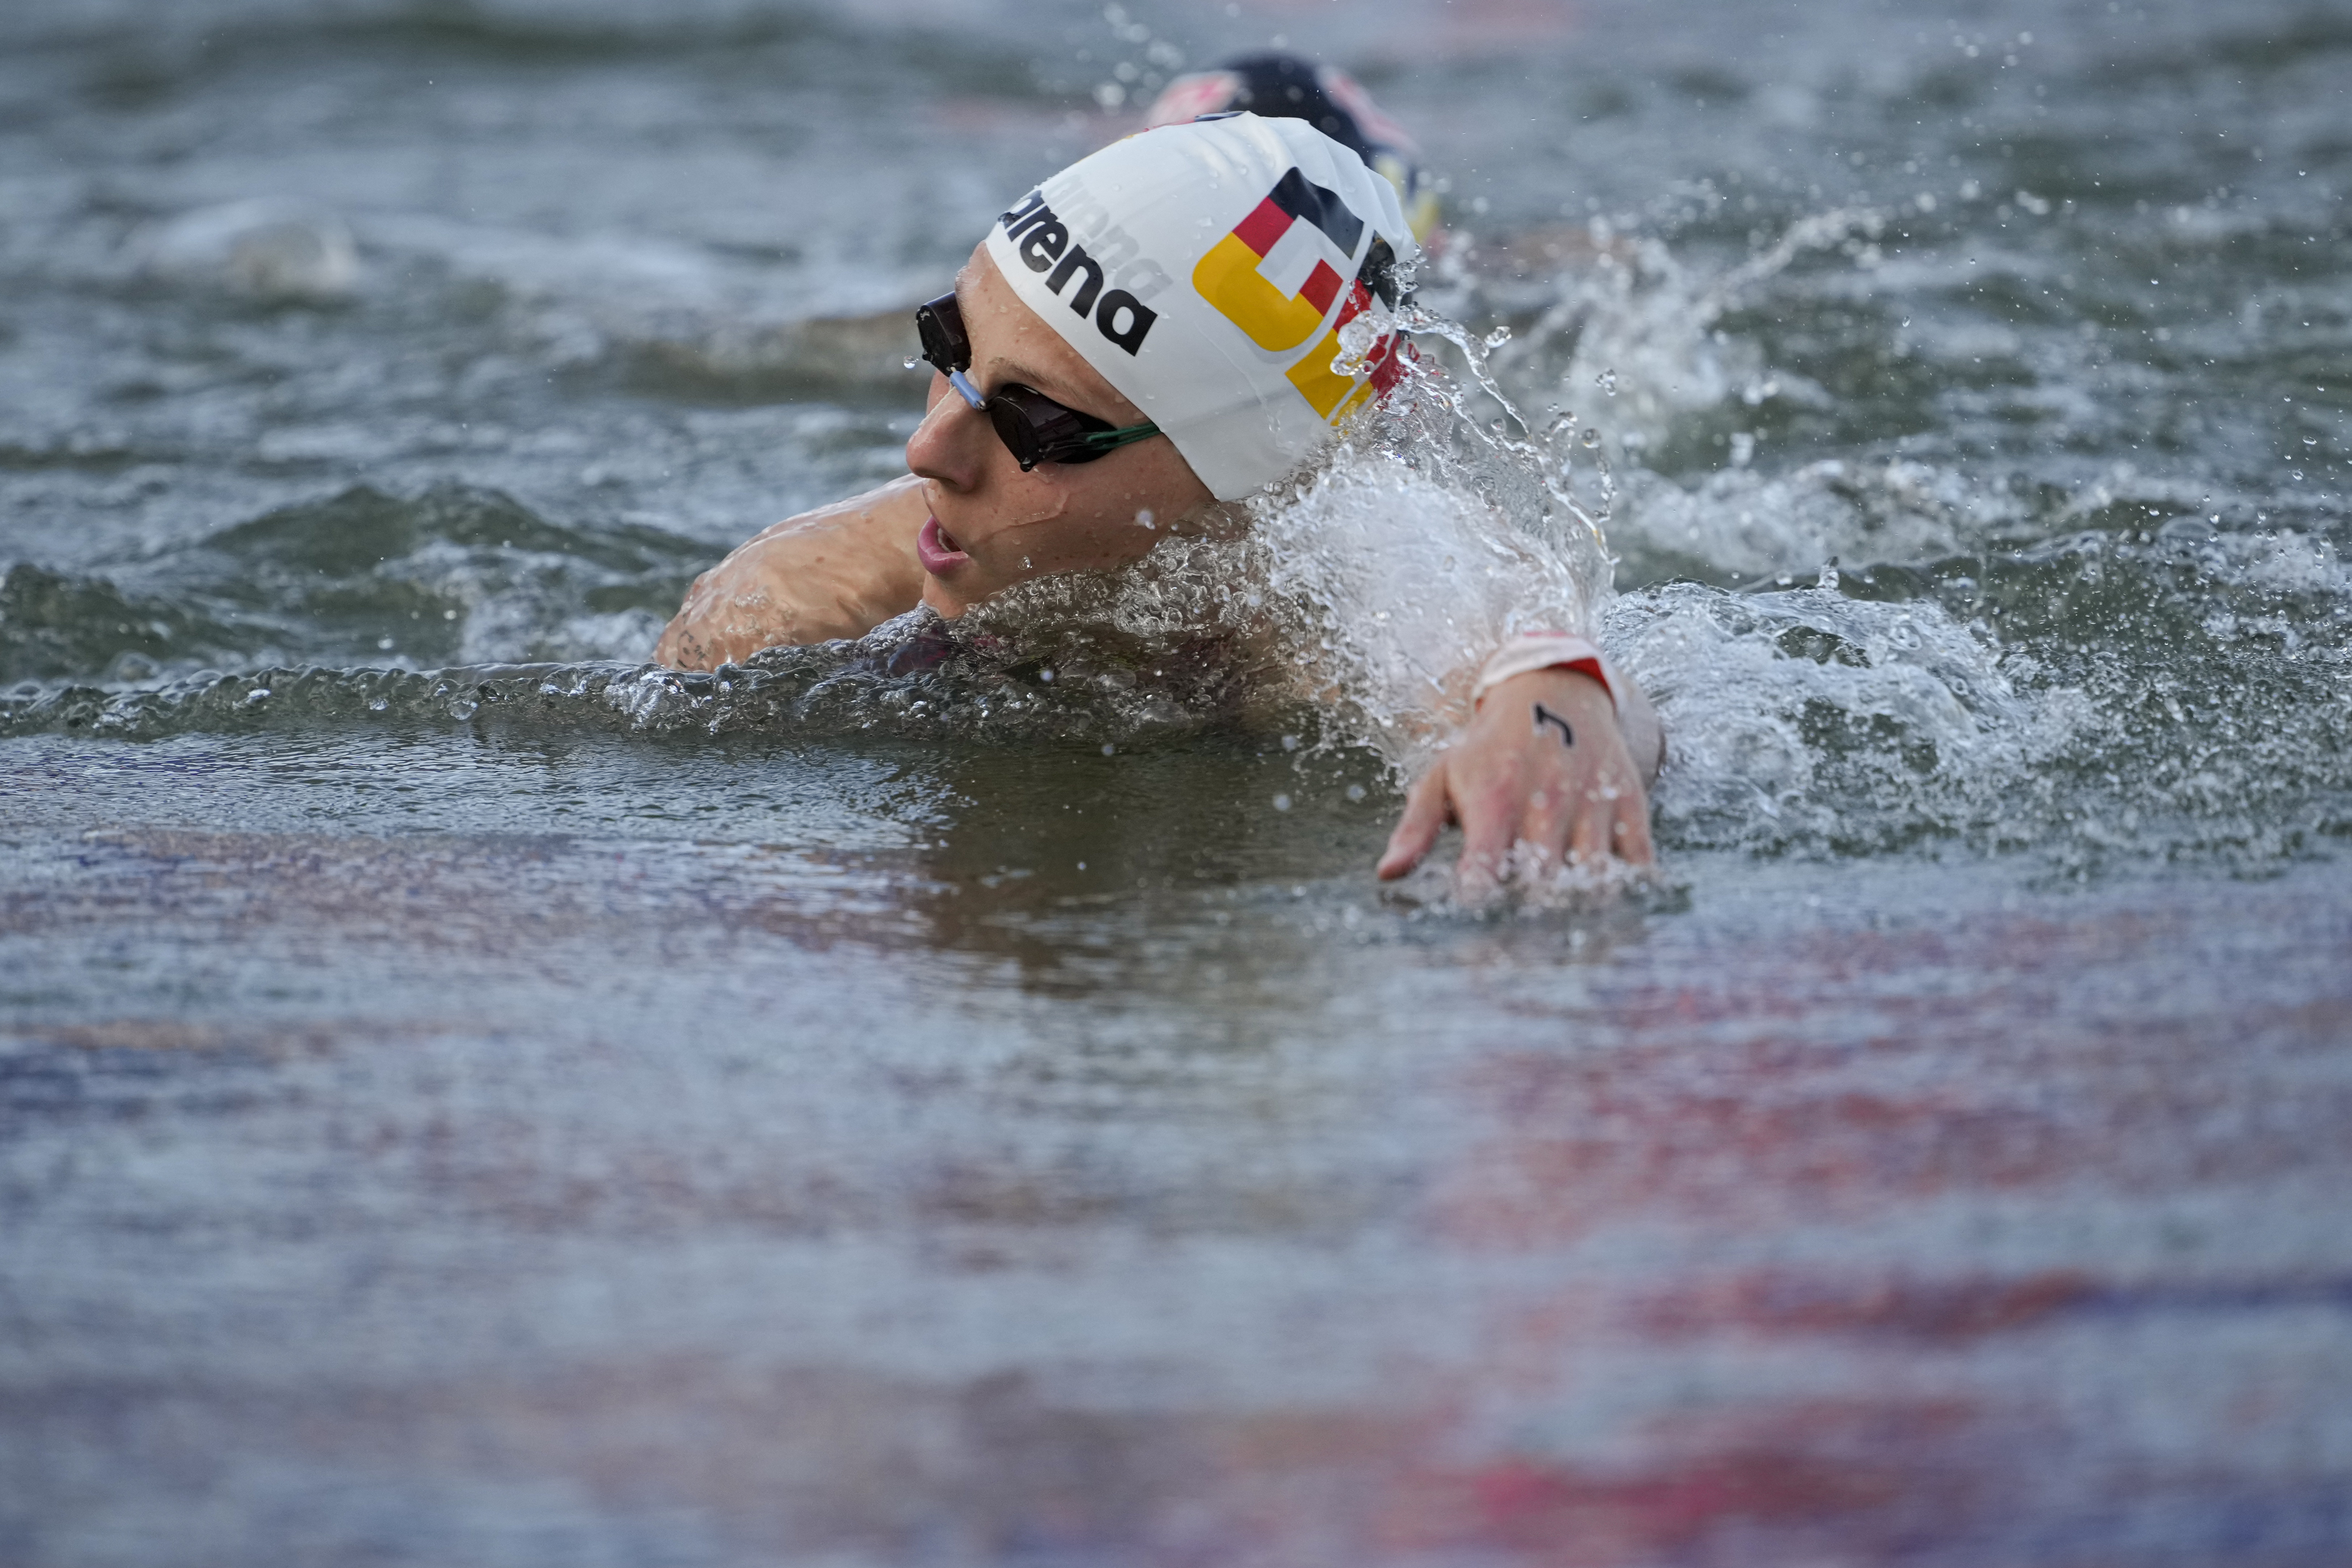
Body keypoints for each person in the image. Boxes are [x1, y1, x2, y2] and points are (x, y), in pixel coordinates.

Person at [655, 110, 1661, 889]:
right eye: (945, 347)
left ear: (1243, 492)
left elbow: (1518, 652)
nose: (928, 448)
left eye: (1035, 424)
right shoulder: (799, 602)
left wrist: (1559, 700)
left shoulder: (1317, 598)